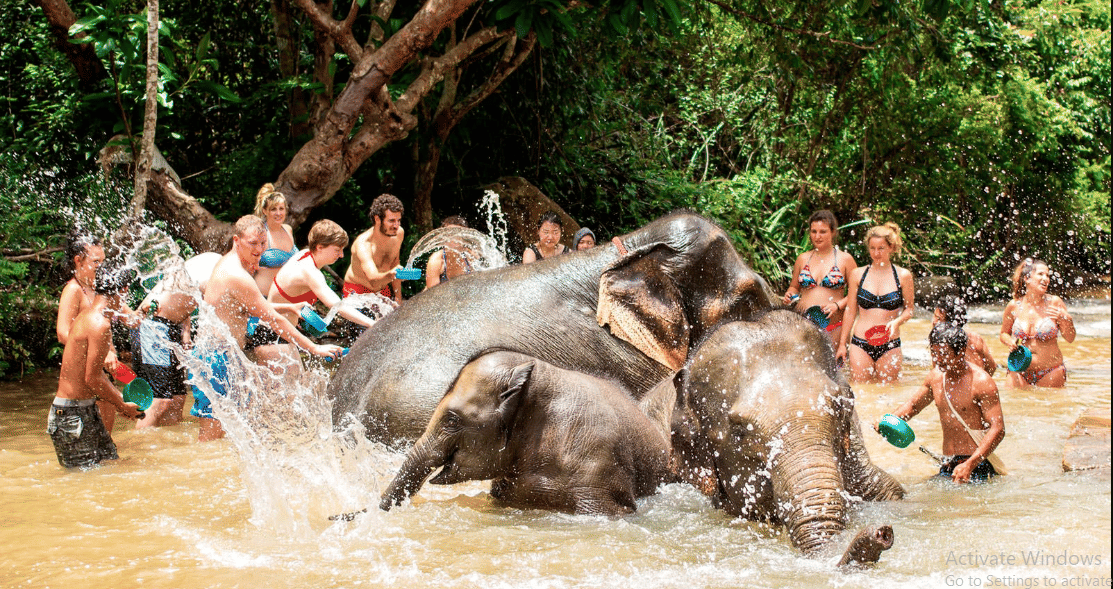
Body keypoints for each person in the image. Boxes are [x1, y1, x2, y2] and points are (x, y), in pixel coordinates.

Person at [192, 215, 343, 442]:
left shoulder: (230, 264)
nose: (259, 249)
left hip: (223, 356)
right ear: (237, 240)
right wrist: (314, 348)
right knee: (211, 437)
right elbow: (275, 320)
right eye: (253, 243)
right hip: (215, 360)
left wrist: (289, 306)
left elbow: (246, 307)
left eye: (263, 243)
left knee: (232, 433)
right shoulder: (237, 275)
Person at [48, 262, 145, 468]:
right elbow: (92, 378)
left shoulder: (88, 315)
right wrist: (122, 404)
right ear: (123, 290)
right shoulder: (100, 324)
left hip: (83, 409)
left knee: (110, 467)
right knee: (83, 480)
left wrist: (118, 402)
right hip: (71, 415)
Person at [883, 322, 1005, 483]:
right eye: (934, 353)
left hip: (976, 464)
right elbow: (913, 406)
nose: (938, 359)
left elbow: (998, 429)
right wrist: (888, 421)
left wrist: (969, 465)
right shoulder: (935, 377)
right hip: (948, 462)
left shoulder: (982, 382)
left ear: (961, 352)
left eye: (944, 354)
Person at [255, 220, 376, 373]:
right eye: (337, 250)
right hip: (272, 337)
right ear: (319, 247)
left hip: (274, 333)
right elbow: (337, 306)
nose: (341, 255)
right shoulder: (310, 272)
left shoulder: (304, 255)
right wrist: (373, 324)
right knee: (291, 386)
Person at [56, 232, 128, 432]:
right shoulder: (73, 290)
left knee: (106, 440)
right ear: (78, 260)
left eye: (103, 262)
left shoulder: (100, 288)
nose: (101, 267)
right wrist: (102, 354)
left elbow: (130, 318)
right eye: (96, 262)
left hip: (104, 372)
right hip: (87, 374)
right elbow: (62, 333)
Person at [837, 222, 914, 383]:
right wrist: (842, 344)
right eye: (872, 248)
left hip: (890, 344)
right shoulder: (857, 274)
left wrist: (897, 322)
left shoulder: (903, 276)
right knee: (860, 389)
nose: (876, 253)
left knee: (889, 390)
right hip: (860, 343)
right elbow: (850, 311)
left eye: (881, 248)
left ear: (891, 247)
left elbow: (909, 310)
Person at [782, 210, 857, 344]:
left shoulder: (845, 259)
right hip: (802, 325)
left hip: (834, 327)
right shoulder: (802, 258)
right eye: (814, 231)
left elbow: (857, 292)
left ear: (833, 232)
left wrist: (837, 305)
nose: (817, 236)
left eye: (823, 232)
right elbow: (794, 287)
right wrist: (790, 294)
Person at [999, 258, 1076, 388]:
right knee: (1012, 400)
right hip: (1018, 369)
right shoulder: (1014, 305)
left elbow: (1070, 338)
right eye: (1041, 274)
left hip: (1051, 371)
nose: (1046, 279)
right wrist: (1009, 342)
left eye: (1047, 275)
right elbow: (1003, 334)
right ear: (1027, 278)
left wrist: (1067, 319)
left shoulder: (1055, 303)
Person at [342, 194, 405, 305]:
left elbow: (395, 264)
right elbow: (373, 280)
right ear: (377, 219)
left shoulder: (398, 233)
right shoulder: (363, 244)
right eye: (391, 221)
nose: (396, 225)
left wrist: (398, 299)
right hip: (358, 292)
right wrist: (392, 274)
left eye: (398, 220)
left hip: (382, 290)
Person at [933, 293, 996, 376]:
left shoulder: (942, 344)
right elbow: (992, 367)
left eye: (938, 318)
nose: (934, 321)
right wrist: (982, 381)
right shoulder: (975, 338)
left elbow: (938, 375)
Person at [253, 184, 297, 295]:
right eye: (273, 209)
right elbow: (246, 264)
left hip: (288, 297)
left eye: (281, 209)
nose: (278, 213)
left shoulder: (288, 230)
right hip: (264, 297)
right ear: (265, 211)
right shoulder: (260, 234)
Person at [425, 216, 475, 289]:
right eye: (450, 234)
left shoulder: (471, 256)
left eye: (458, 234)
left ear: (464, 238)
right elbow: (431, 293)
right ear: (443, 238)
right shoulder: (436, 260)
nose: (454, 238)